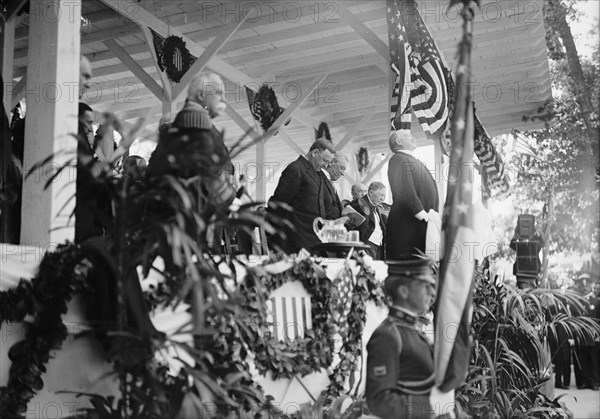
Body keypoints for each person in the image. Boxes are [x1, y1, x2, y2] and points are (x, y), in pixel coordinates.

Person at [366, 258, 438, 418]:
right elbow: (379, 400)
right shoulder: (387, 335)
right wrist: (429, 407)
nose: (431, 292)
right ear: (404, 291)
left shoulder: (409, 330)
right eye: (425, 286)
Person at [267, 138, 335, 254]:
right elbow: (279, 205)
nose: (326, 165)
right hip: (295, 241)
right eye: (324, 160)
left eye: (329, 163)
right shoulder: (295, 169)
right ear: (315, 153)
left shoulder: (317, 173)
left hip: (313, 241)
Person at [386, 131, 439, 260]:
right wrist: (422, 215)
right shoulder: (398, 159)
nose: (414, 138)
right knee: (408, 269)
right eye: (408, 136)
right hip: (408, 227)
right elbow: (404, 191)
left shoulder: (409, 159)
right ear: (398, 141)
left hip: (418, 225)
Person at [345, 181, 388, 260]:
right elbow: (348, 229)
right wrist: (359, 249)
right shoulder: (358, 204)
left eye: (384, 196)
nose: (382, 198)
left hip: (378, 247)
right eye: (380, 195)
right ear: (371, 193)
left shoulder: (376, 206)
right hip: (366, 247)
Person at [321, 152, 348, 220]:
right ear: (331, 162)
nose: (342, 173)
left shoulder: (331, 183)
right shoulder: (319, 179)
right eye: (342, 168)